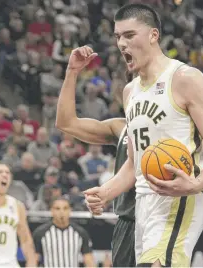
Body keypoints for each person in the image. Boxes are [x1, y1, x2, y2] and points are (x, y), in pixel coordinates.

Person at [84, 3, 203, 267]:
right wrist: (106, 193)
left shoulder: (185, 78)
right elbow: (133, 163)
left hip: (179, 196)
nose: (121, 44)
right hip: (143, 202)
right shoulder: (130, 92)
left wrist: (196, 185)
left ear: (153, 35)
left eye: (130, 35)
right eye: (118, 36)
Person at [56, 57, 136, 266]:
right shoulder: (119, 127)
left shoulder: (169, 122)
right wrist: (72, 72)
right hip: (128, 221)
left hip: (160, 214)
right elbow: (66, 123)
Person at [0, 162, 38, 267]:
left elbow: (26, 239)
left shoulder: (17, 206)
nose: (5, 175)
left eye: (8, 173)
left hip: (11, 263)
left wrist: (31, 262)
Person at [32, 196, 95, 267]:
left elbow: (89, 260)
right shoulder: (40, 233)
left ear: (70, 210)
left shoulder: (80, 233)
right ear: (51, 211)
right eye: (57, 209)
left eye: (65, 208)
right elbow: (33, 260)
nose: (61, 212)